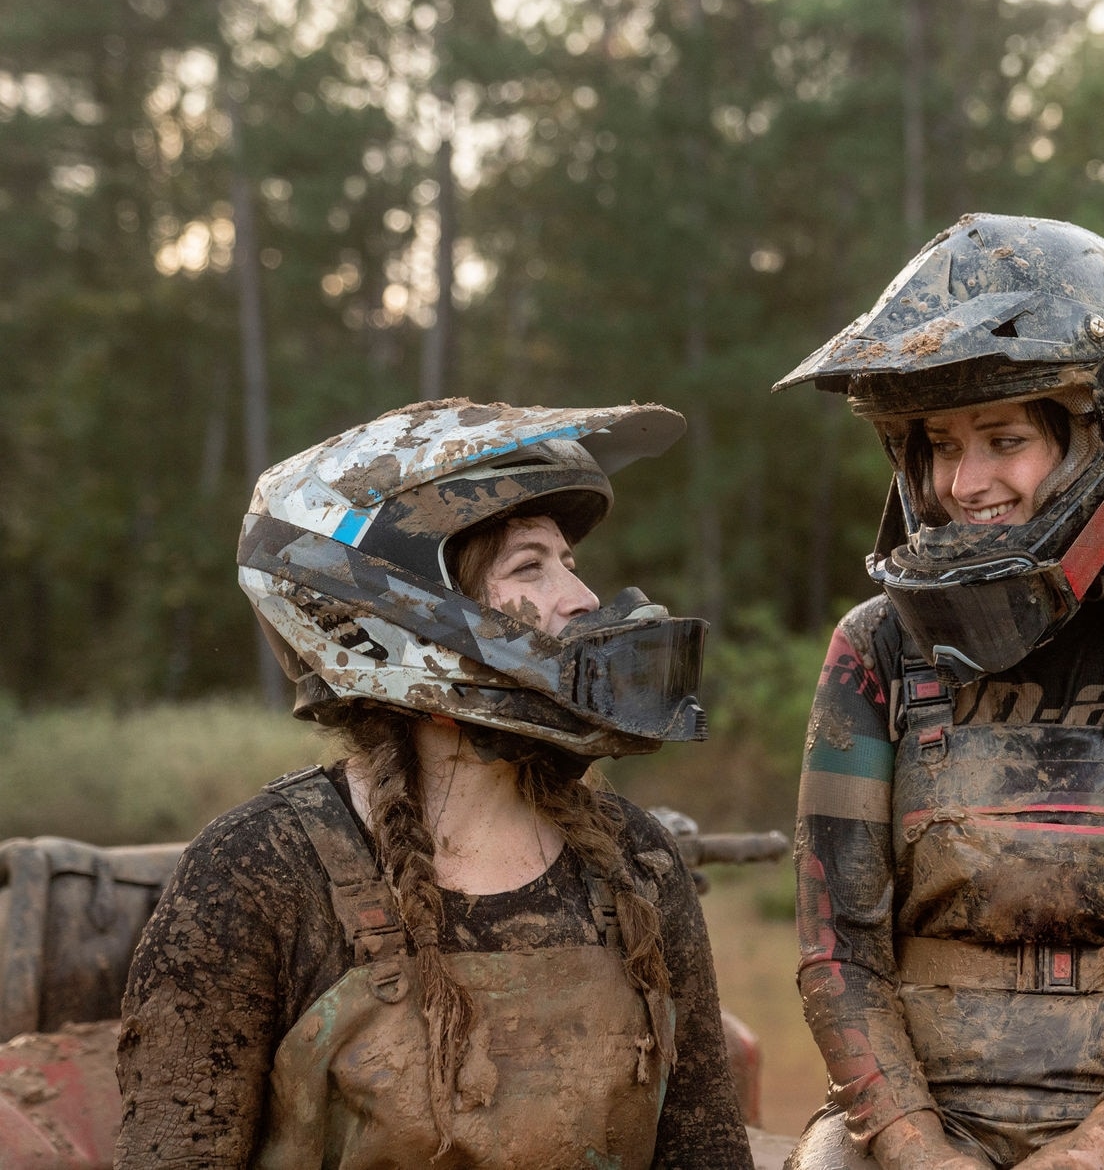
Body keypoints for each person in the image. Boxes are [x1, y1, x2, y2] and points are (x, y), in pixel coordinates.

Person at [775, 215, 1104, 1170]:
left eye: (1004, 438)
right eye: (939, 443)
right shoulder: (874, 651)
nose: (966, 481)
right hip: (911, 1117)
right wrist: (912, 1145)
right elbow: (835, 948)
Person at [116, 399, 753, 1170]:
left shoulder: (635, 862)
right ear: (401, 619)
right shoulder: (257, 874)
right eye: (531, 567)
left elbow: (707, 1153)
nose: (583, 600)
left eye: (570, 564)